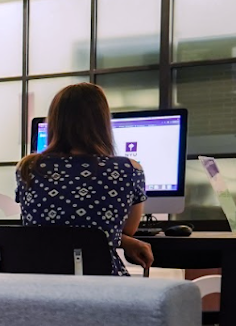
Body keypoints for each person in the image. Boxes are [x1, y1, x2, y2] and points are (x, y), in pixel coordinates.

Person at [16, 83, 152, 275]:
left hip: (40, 282)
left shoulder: (28, 167)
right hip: (101, 283)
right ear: (103, 123)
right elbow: (126, 230)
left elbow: (38, 227)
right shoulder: (129, 169)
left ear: (54, 122)